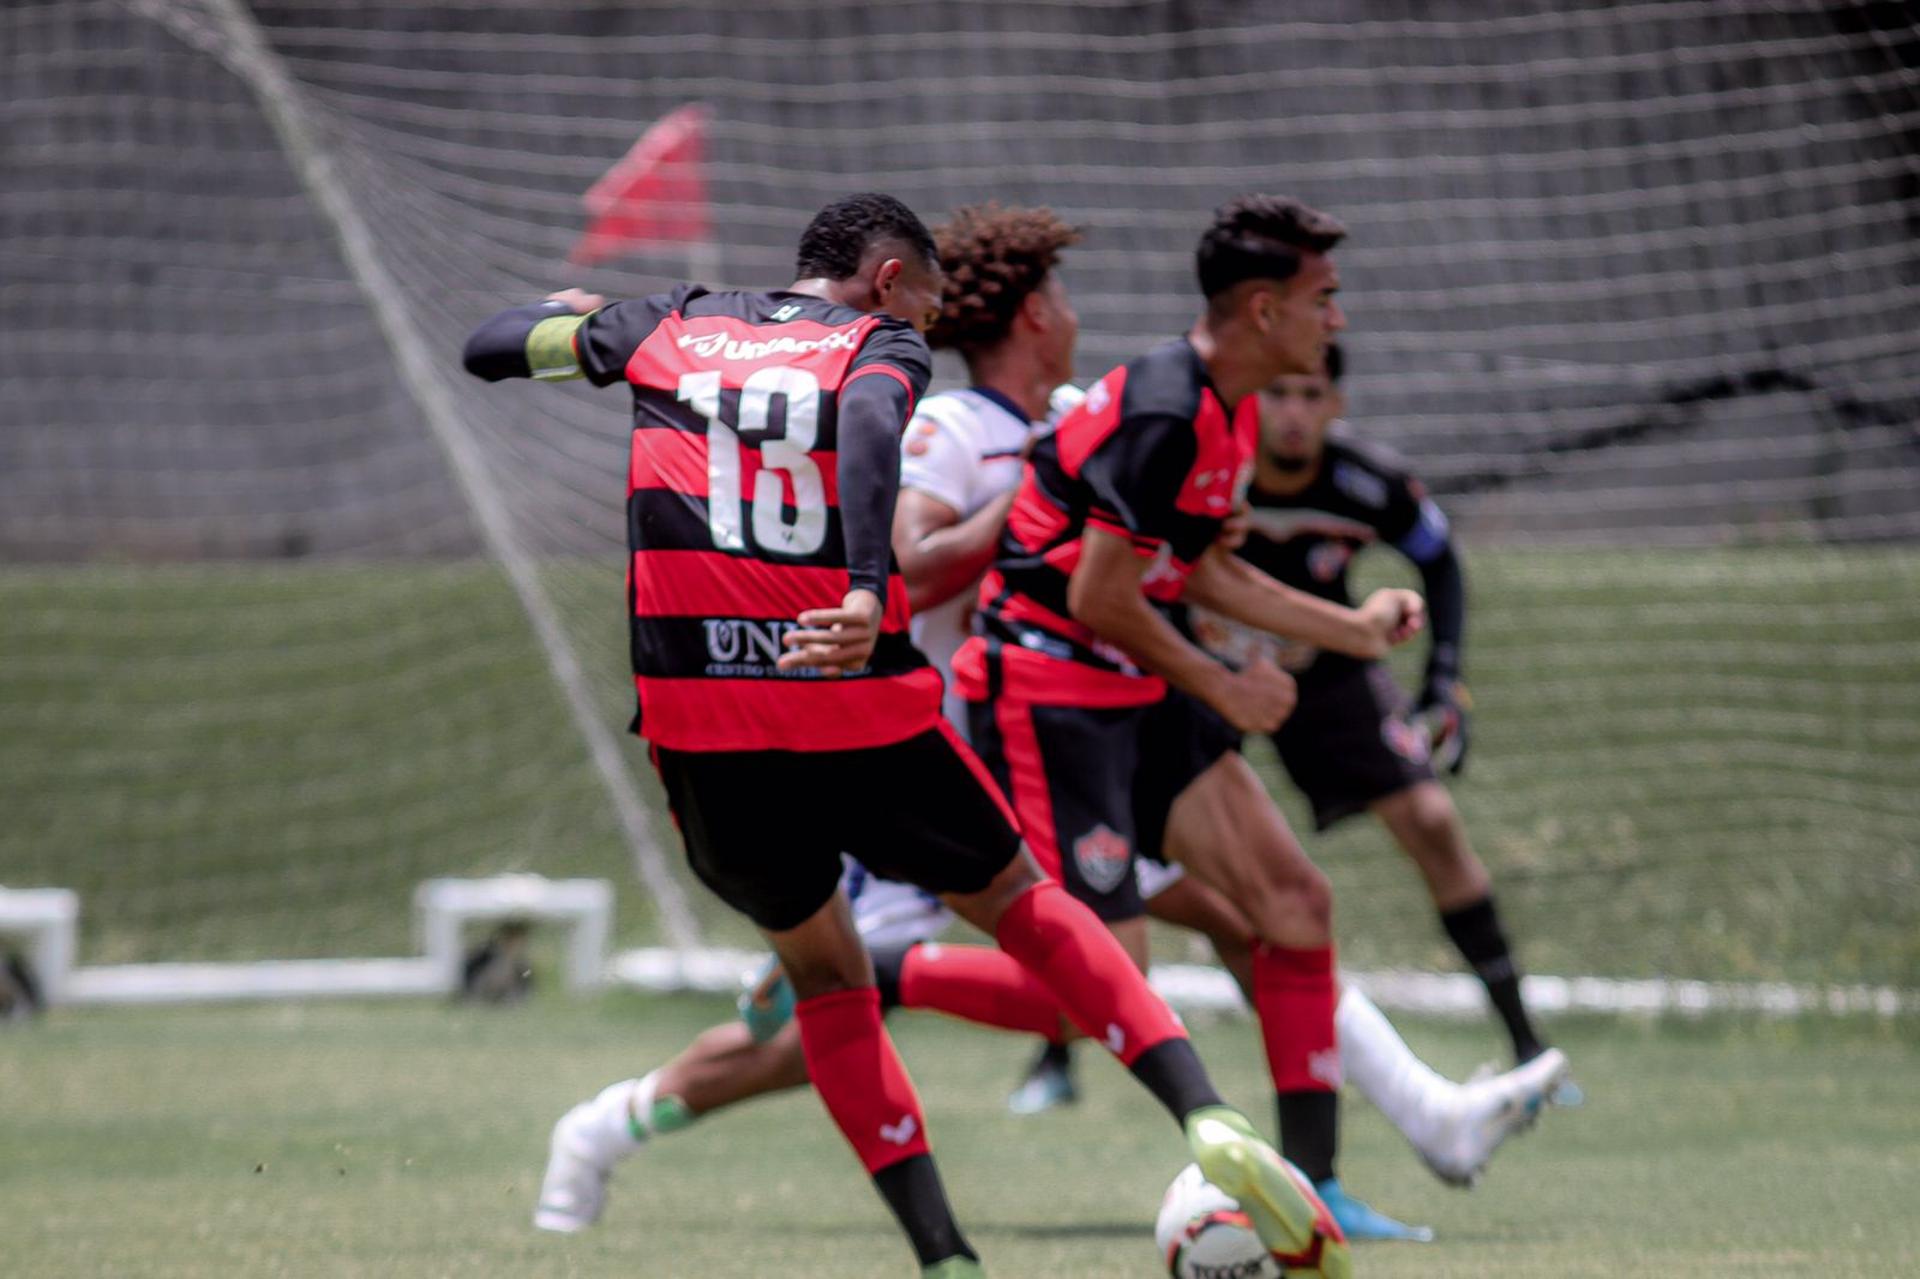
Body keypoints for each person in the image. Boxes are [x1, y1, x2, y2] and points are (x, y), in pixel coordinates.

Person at [524, 204, 1563, 1252]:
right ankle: (608, 1125)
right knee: (876, 1009)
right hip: (926, 734)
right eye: (1058, 296)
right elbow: (914, 559)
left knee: (1267, 907)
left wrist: (1308, 620)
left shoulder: (1119, 416)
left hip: (1089, 719)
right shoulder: (955, 426)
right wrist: (1041, 492)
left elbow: (1159, 558)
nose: (1073, 314)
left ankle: (1375, 1141)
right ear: (1029, 319)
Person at [944, 193, 1445, 1238]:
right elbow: (1099, 596)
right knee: (1100, 990)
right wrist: (1223, 684)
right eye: (1324, 300)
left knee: (1295, 901)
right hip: (1046, 688)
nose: (1337, 321)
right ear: (1265, 310)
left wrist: (1352, 628)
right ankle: (879, 970)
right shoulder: (1168, 410)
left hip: (1133, 683)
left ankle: (1317, 1188)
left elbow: (1203, 569)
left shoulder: (1229, 408)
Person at [1219, 342, 1567, 1085]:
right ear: (1253, 399)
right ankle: (1059, 1045)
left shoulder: (1366, 480)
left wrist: (1445, 684)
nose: (1293, 413)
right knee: (1172, 849)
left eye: (1311, 395)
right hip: (1209, 668)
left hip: (1329, 668)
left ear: (1335, 404)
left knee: (1434, 822)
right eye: (1278, 392)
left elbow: (1438, 560)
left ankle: (1528, 1045)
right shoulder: (1216, 469)